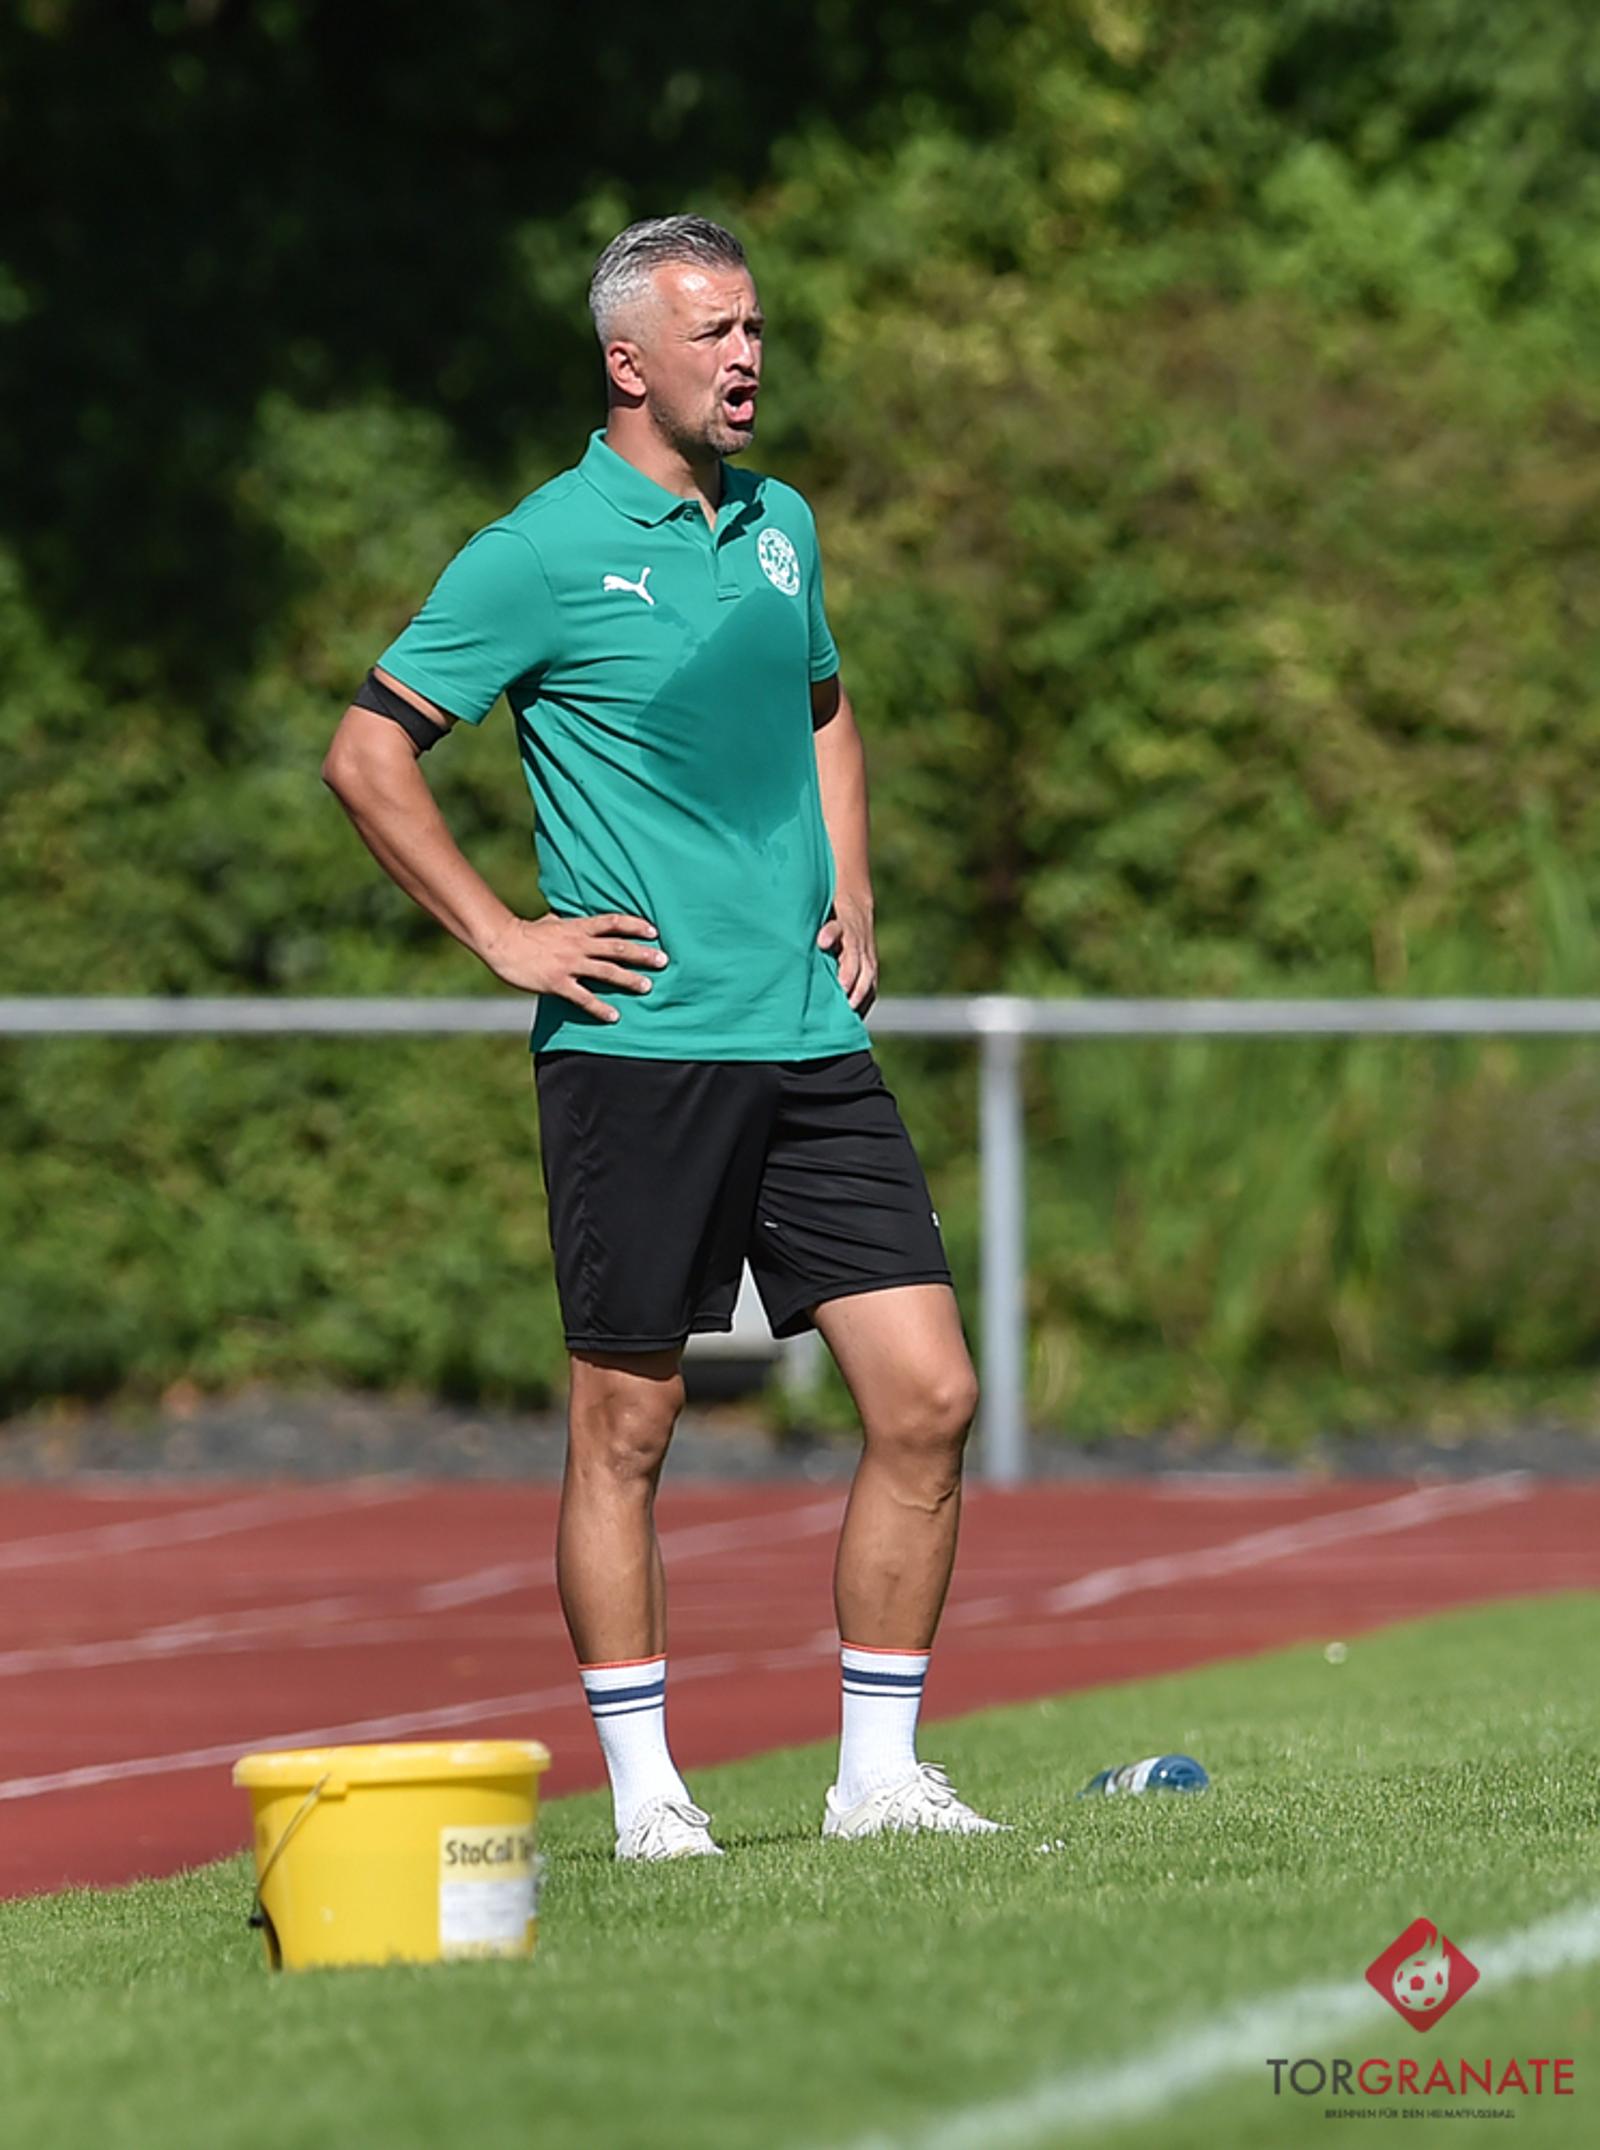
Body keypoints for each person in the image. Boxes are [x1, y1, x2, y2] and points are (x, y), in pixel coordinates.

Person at [322, 214, 1000, 1857]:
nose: (748, 356)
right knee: (628, 1425)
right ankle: (648, 1800)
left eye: (756, 327)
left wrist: (852, 877)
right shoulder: (537, 551)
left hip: (809, 1035)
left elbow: (826, 709)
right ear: (629, 362)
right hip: (637, 1050)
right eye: (716, 332)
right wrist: (504, 935)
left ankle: (878, 1781)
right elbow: (367, 753)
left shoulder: (784, 527)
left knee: (930, 1396)